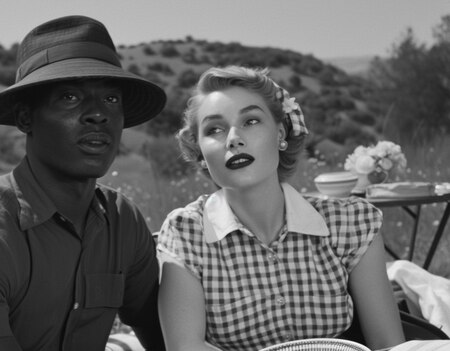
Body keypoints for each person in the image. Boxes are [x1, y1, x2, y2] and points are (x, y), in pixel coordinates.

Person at [0, 15, 167, 351]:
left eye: (111, 99)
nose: (98, 114)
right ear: (25, 118)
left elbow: (168, 334)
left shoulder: (122, 222)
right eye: (69, 97)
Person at [156, 66, 405, 351]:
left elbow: (388, 344)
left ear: (280, 133)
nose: (234, 138)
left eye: (250, 121)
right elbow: (185, 348)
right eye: (215, 129)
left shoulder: (351, 223)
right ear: (200, 153)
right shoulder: (185, 233)